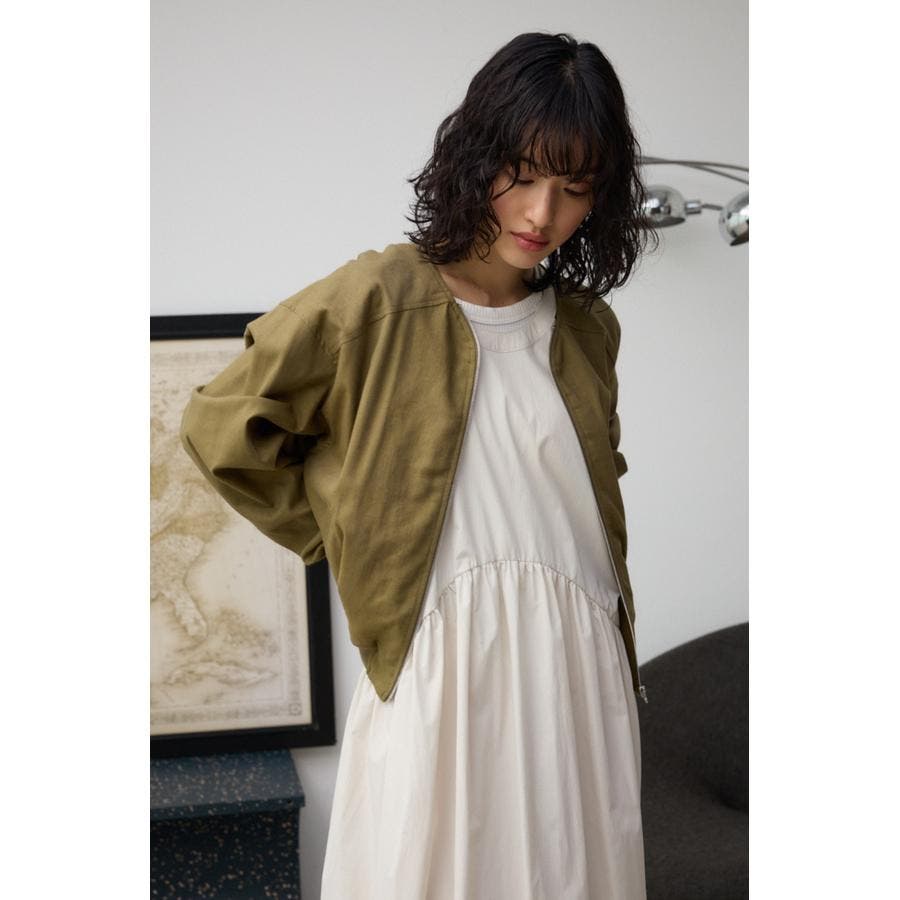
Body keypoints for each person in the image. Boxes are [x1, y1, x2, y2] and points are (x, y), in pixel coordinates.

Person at [180, 30, 658, 900]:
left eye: (574, 188)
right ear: (477, 156)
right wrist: (344, 531)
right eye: (522, 173)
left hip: (579, 674)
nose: (541, 213)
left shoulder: (588, 329)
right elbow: (221, 427)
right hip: (446, 667)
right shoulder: (378, 298)